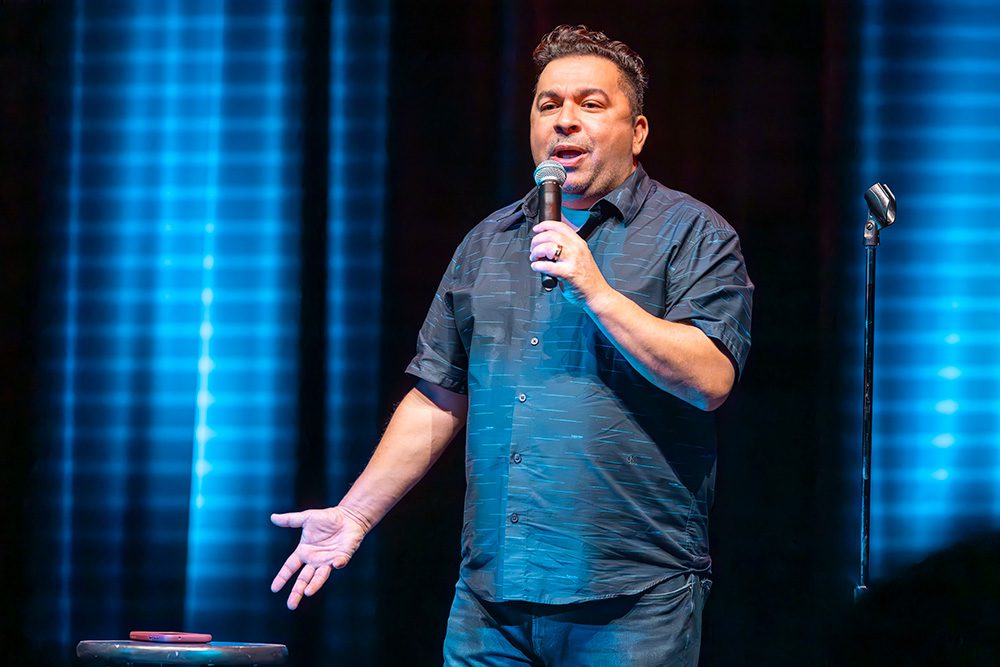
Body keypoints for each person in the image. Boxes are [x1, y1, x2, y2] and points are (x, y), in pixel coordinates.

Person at [270, 24, 753, 666]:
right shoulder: (489, 242)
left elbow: (710, 378)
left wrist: (597, 290)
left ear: (637, 132)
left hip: (631, 601)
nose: (565, 122)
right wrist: (355, 515)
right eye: (548, 104)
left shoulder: (692, 234)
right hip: (491, 601)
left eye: (590, 104)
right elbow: (439, 395)